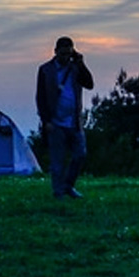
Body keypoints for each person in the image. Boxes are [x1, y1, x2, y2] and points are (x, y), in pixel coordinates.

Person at [36, 36, 93, 199]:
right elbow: (40, 97)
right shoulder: (45, 70)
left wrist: (81, 62)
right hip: (55, 123)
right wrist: (45, 120)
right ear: (55, 52)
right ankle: (58, 192)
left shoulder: (75, 68)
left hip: (74, 122)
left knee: (80, 154)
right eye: (62, 54)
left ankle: (68, 185)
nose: (65, 58)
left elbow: (89, 84)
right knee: (57, 161)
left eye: (68, 54)